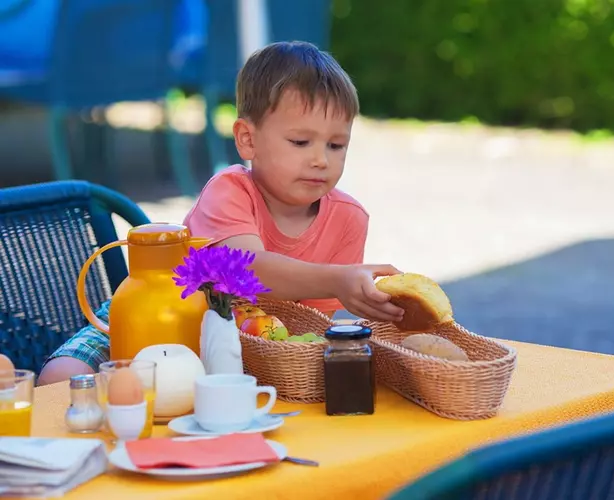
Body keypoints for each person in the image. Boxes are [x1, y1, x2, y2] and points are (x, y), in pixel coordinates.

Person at [37, 41, 404, 386]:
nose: (321, 160)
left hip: (247, 347)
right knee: (63, 376)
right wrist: (338, 279)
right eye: (300, 142)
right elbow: (244, 269)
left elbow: (309, 324)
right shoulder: (229, 190)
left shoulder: (348, 219)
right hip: (158, 314)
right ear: (247, 139)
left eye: (336, 145)